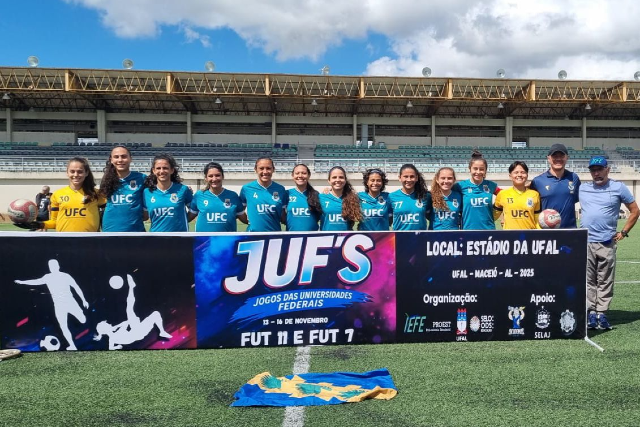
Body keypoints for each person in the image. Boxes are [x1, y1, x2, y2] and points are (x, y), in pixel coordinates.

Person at [579, 156, 639, 330]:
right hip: (586, 241)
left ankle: (602, 314)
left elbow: (635, 211)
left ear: (608, 169)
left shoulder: (618, 187)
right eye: (593, 170)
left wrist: (624, 232)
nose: (596, 173)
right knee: (588, 280)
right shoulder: (583, 188)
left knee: (605, 280)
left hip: (606, 242)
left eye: (599, 169)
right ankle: (591, 313)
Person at [15, 259, 89, 350]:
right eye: (50, 266)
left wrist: (84, 300)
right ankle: (72, 345)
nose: (52, 268)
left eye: (53, 266)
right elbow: (36, 281)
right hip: (58, 306)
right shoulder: (48, 277)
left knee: (83, 320)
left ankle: (82, 317)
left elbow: (76, 287)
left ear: (58, 266)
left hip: (70, 302)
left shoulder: (66, 276)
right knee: (63, 326)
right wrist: (22, 282)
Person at [17, 157, 106, 232]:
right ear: (67, 173)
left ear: (86, 173)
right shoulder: (57, 194)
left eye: (80, 171)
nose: (76, 174)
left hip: (90, 242)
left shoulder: (96, 194)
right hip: (64, 240)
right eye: (72, 171)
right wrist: (39, 224)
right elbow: (55, 222)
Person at [530, 143, 580, 228]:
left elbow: (575, 199)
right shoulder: (537, 181)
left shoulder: (574, 178)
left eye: (561, 156)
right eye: (555, 156)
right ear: (548, 158)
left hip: (570, 232)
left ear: (567, 158)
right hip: (547, 233)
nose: (558, 159)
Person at [100, 145, 146, 232]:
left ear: (130, 159)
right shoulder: (106, 180)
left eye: (124, 156)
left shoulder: (141, 178)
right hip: (110, 230)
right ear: (111, 160)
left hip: (135, 231)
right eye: (116, 157)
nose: (120, 160)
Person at [189, 162, 245, 232]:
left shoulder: (233, 196)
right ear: (206, 178)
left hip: (227, 241)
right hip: (204, 241)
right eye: (210, 176)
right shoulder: (199, 195)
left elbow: (245, 220)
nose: (214, 179)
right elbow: (187, 218)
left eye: (217, 175)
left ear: (223, 176)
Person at [143, 154, 193, 232]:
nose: (162, 171)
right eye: (158, 168)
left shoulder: (183, 189)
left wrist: (182, 221)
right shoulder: (147, 192)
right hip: (156, 239)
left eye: (165, 168)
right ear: (154, 170)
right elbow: (144, 215)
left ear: (172, 170)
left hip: (180, 239)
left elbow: (194, 210)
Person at [453, 150, 500, 230]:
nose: (478, 172)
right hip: (468, 230)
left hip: (488, 230)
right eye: (475, 169)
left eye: (481, 169)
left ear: (485, 171)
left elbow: (504, 194)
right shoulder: (460, 186)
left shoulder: (491, 185)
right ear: (470, 169)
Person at [239, 157, 288, 232]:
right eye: (261, 168)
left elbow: (282, 215)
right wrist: (251, 223)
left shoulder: (280, 189)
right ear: (255, 169)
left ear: (273, 169)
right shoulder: (247, 189)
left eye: (268, 168)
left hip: (275, 236)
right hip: (252, 236)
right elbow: (239, 212)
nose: (265, 171)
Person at [493, 161, 541, 230]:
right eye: (516, 172)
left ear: (527, 175)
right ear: (510, 176)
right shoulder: (502, 194)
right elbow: (493, 216)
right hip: (510, 237)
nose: (519, 175)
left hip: (529, 236)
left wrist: (540, 234)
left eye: (523, 172)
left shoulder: (535, 194)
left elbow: (537, 218)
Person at [318, 166, 362, 231]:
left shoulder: (353, 198)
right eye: (334, 177)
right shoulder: (321, 197)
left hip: (346, 239)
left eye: (341, 177)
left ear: (345, 180)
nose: (338, 180)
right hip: (326, 239)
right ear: (329, 181)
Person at [388, 163, 429, 230]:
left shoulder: (425, 196)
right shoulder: (392, 196)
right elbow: (388, 218)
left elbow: (430, 216)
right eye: (406, 176)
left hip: (420, 238)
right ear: (399, 178)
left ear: (416, 178)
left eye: (412, 176)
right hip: (399, 238)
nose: (409, 180)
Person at [284, 163, 321, 231]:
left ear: (309, 175)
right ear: (292, 176)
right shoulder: (287, 194)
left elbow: (319, 215)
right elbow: (281, 214)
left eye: (304, 173)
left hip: (312, 238)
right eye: (297, 173)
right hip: (290, 238)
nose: (300, 176)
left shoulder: (316, 194)